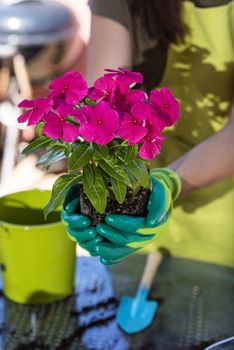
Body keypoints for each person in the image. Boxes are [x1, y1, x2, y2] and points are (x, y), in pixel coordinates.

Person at [62, 0, 234, 267]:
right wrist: (91, 189)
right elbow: (102, 107)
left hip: (221, 235)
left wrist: (169, 183)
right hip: (131, 221)